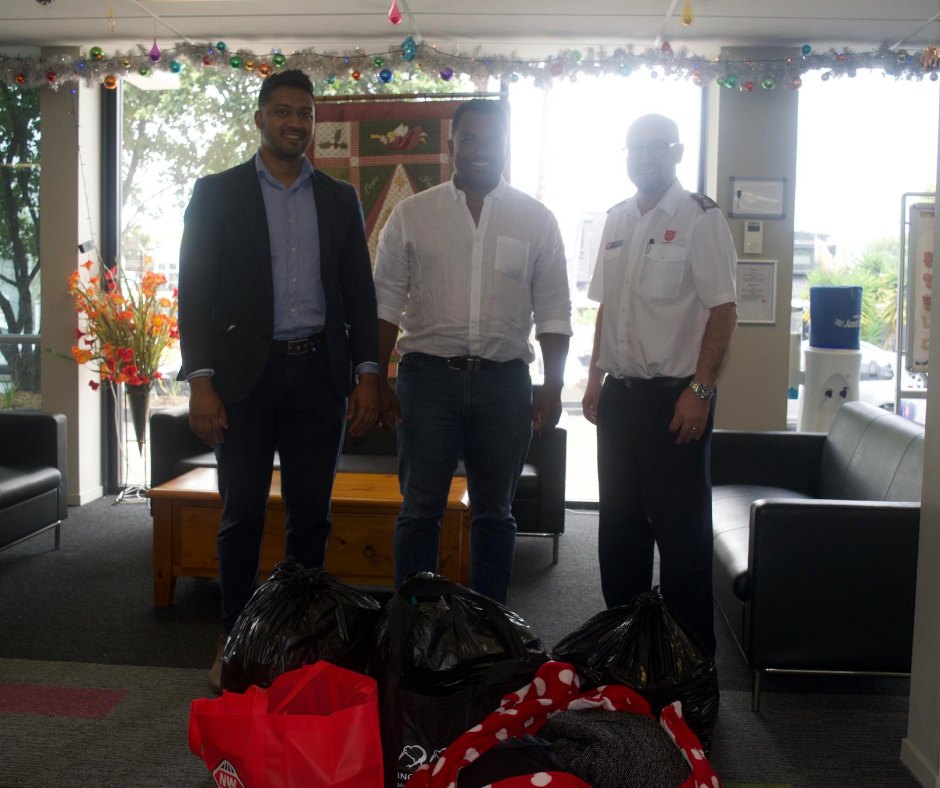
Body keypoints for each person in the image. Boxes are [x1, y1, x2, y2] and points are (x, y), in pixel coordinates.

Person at [177, 69, 378, 691]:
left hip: (319, 375)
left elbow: (359, 293)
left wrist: (368, 372)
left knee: (311, 517)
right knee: (241, 514)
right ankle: (236, 638)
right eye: (284, 111)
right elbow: (195, 292)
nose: (296, 123)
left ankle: (296, 640)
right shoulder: (217, 193)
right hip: (244, 380)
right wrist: (200, 380)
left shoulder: (338, 198)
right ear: (260, 118)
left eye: (306, 114)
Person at [373, 99, 572, 604]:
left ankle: (489, 627)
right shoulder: (412, 215)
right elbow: (386, 303)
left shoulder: (536, 219)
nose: (481, 149)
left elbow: (554, 310)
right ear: (452, 145)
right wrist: (375, 379)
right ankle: (414, 625)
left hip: (504, 385)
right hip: (427, 382)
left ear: (507, 146)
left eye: (493, 140)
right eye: (470, 139)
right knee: (420, 511)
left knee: (495, 514)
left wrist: (552, 386)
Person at [581, 113, 737, 654]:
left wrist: (702, 389)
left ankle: (691, 667)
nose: (645, 156)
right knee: (618, 534)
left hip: (677, 402)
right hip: (620, 400)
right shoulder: (616, 219)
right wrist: (595, 377)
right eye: (636, 147)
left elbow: (723, 309)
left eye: (657, 146)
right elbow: (607, 309)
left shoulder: (699, 218)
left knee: (681, 539)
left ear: (677, 152)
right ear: (626, 155)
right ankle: (624, 653)